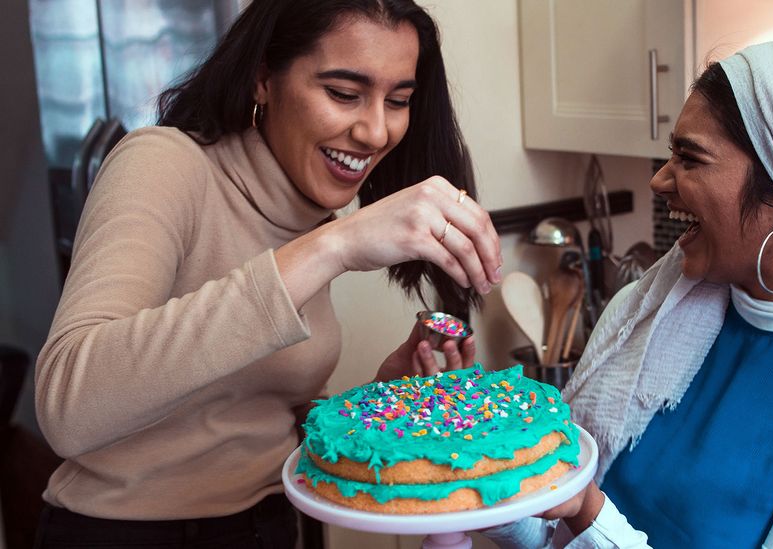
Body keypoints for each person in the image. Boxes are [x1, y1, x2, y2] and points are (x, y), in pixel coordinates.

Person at [33, 1, 501, 547]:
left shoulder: (303, 208)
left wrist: (382, 399)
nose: (376, 131)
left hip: (269, 527)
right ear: (263, 79)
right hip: (122, 534)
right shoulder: (163, 164)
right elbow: (69, 405)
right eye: (344, 94)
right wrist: (333, 245)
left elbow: (256, 419)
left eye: (398, 101)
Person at [484, 36, 773, 548]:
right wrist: (476, 465)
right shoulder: (645, 315)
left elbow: (577, 514)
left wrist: (589, 511)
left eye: (690, 158)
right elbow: (551, 530)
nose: (661, 180)